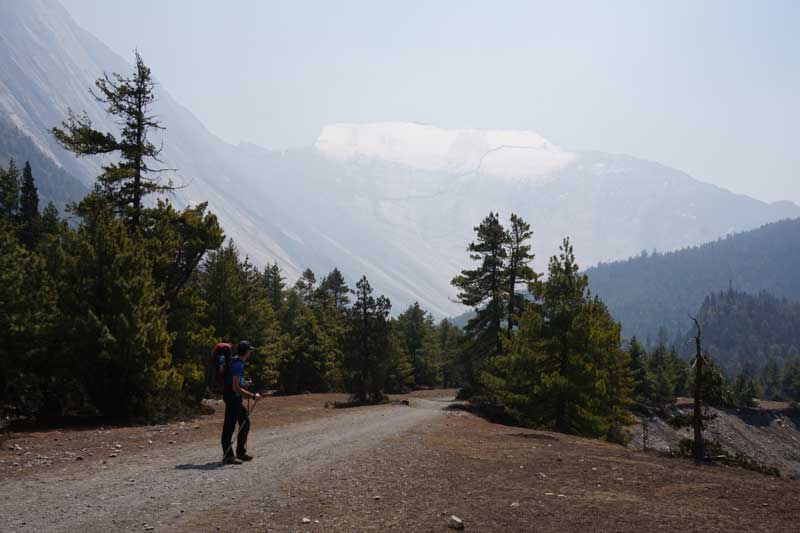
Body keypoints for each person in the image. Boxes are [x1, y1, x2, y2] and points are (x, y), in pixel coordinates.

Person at [221, 340, 260, 464]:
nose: (250, 354)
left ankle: (240, 453)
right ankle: (228, 456)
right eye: (250, 351)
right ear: (247, 352)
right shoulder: (238, 364)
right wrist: (252, 396)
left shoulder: (236, 361)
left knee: (245, 422)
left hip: (233, 397)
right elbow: (235, 388)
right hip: (232, 397)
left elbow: (237, 383)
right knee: (229, 426)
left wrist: (244, 384)